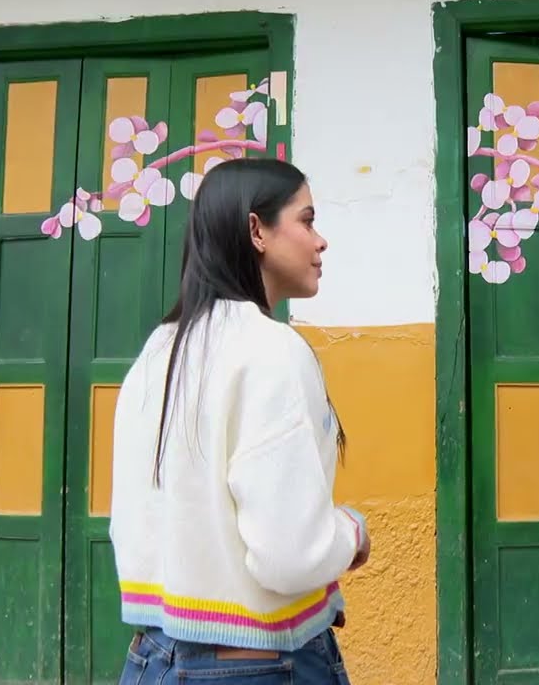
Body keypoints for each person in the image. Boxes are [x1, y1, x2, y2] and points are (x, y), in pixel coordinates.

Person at [109, 158, 369, 685]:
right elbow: (291, 556)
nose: (321, 242)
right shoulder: (271, 350)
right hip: (256, 664)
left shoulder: (159, 350)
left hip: (151, 656)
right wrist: (351, 532)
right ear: (257, 230)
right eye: (307, 220)